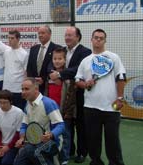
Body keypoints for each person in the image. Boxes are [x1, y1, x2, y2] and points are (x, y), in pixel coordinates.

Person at [75, 29, 126, 165]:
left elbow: (120, 77)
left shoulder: (113, 57)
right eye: (96, 37)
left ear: (105, 41)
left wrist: (120, 98)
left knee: (112, 142)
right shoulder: (85, 61)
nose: (98, 40)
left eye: (101, 38)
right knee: (93, 141)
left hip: (111, 108)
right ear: (91, 40)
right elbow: (77, 79)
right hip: (90, 108)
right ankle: (96, 162)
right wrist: (85, 84)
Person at [49, 27, 91, 163]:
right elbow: (52, 63)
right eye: (66, 35)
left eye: (70, 35)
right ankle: (70, 149)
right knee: (67, 125)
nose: (67, 38)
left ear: (78, 37)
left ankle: (82, 152)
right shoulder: (62, 50)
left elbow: (78, 69)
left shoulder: (85, 52)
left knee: (80, 125)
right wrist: (53, 71)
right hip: (62, 95)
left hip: (78, 95)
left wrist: (60, 74)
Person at [14, 77, 65, 165]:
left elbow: (61, 125)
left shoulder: (48, 103)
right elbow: (24, 125)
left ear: (36, 89)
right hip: (33, 141)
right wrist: (22, 138)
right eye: (22, 89)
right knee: (19, 160)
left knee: (32, 151)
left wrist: (51, 135)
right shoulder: (27, 104)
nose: (23, 92)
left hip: (53, 142)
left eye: (26, 89)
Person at [0, 90, 24, 165]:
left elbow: (18, 133)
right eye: (0, 102)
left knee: (6, 162)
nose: (2, 105)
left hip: (14, 144)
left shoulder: (18, 112)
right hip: (2, 143)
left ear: (10, 102)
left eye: (5, 103)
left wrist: (8, 147)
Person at [27, 25, 60, 95]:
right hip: (34, 87)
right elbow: (29, 67)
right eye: (39, 33)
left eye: (43, 33)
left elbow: (57, 67)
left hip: (49, 86)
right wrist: (32, 81)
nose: (40, 35)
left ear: (50, 34)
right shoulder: (33, 49)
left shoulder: (56, 48)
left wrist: (44, 79)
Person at [3, 30, 28, 109]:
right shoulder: (6, 52)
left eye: (12, 38)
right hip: (6, 88)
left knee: (19, 111)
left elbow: (26, 72)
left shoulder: (24, 54)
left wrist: (24, 89)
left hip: (18, 89)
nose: (10, 40)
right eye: (9, 38)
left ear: (18, 39)